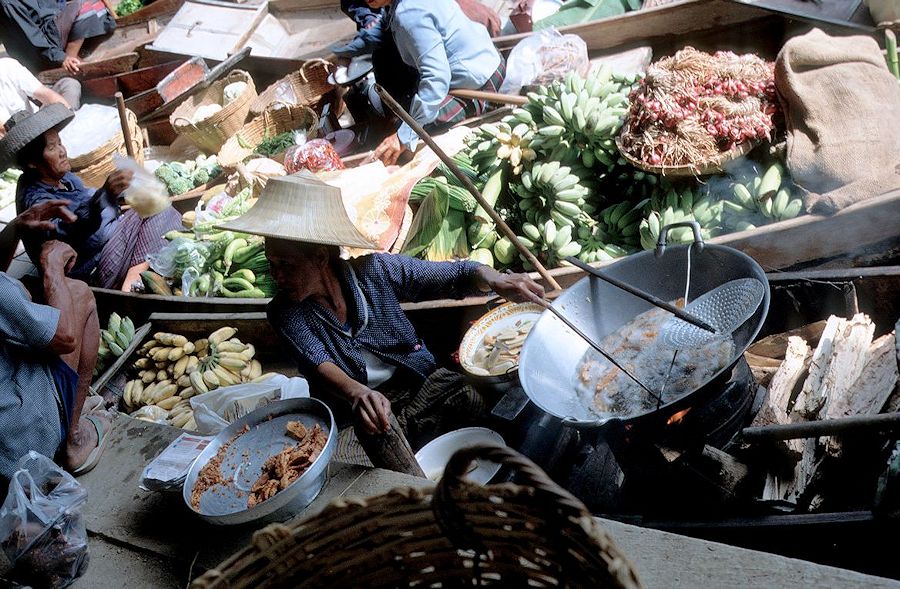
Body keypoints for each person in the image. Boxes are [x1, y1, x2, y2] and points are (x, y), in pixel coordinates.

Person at [1, 104, 183, 288]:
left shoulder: (66, 178)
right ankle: (128, 290)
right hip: (92, 267)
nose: (62, 151)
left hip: (111, 241)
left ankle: (133, 277)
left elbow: (94, 202)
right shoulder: (34, 198)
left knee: (153, 205)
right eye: (52, 148)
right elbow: (68, 229)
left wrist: (115, 193)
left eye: (60, 143)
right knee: (159, 212)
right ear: (32, 162)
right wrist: (103, 196)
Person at [0, 198, 114, 483]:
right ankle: (71, 441)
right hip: (16, 442)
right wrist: (52, 268)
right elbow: (64, 337)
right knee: (80, 294)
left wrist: (15, 228)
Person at [367, 0, 506, 166]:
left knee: (412, 143)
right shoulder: (399, 8)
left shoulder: (408, 14)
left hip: (480, 82)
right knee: (410, 113)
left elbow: (436, 78)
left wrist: (405, 135)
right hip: (487, 60)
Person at [0, 0, 116, 74]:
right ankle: (69, 63)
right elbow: (31, 39)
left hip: (54, 30)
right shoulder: (8, 3)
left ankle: (78, 56)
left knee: (98, 8)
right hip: (40, 50)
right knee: (83, 7)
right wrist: (61, 58)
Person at [0, 56, 80, 136]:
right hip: (15, 140)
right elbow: (4, 130)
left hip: (38, 120)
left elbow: (44, 93)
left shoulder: (7, 65)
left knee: (70, 84)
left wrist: (67, 116)